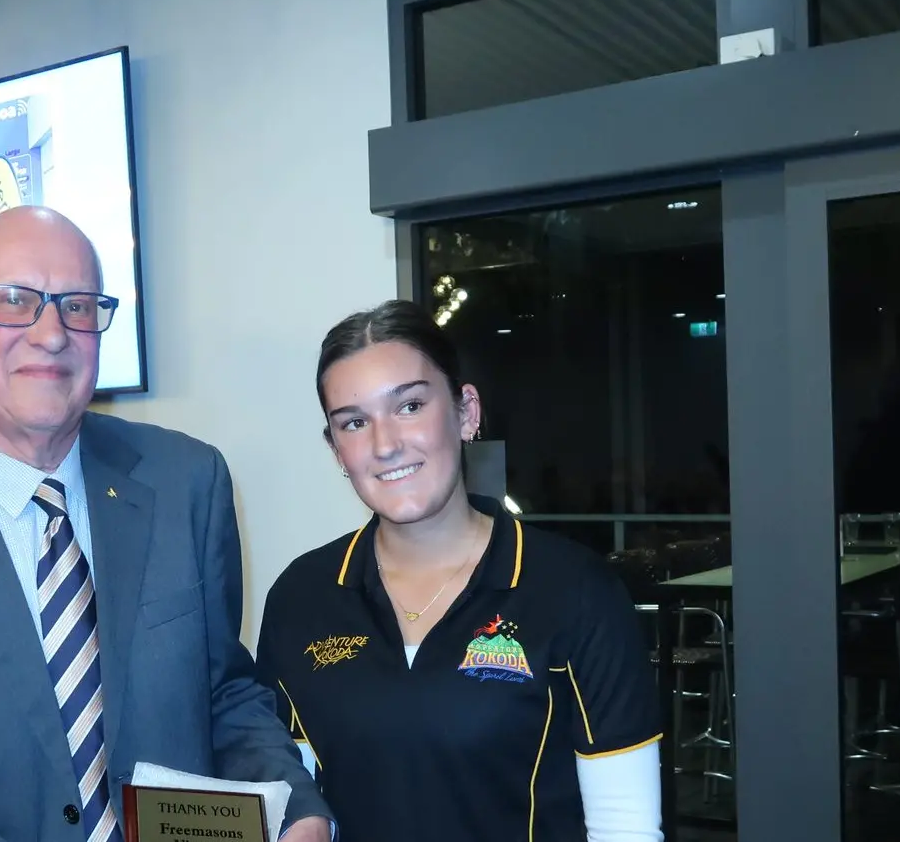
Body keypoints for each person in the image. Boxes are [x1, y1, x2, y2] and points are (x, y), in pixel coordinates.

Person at [0, 206, 332, 842]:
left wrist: (297, 808)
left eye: (77, 306)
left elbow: (222, 696)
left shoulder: (186, 482)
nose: (52, 333)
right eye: (15, 300)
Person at [255, 299, 663, 842]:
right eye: (354, 423)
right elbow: (293, 796)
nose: (385, 445)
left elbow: (625, 827)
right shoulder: (302, 596)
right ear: (336, 450)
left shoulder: (574, 591)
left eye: (409, 406)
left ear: (466, 411)